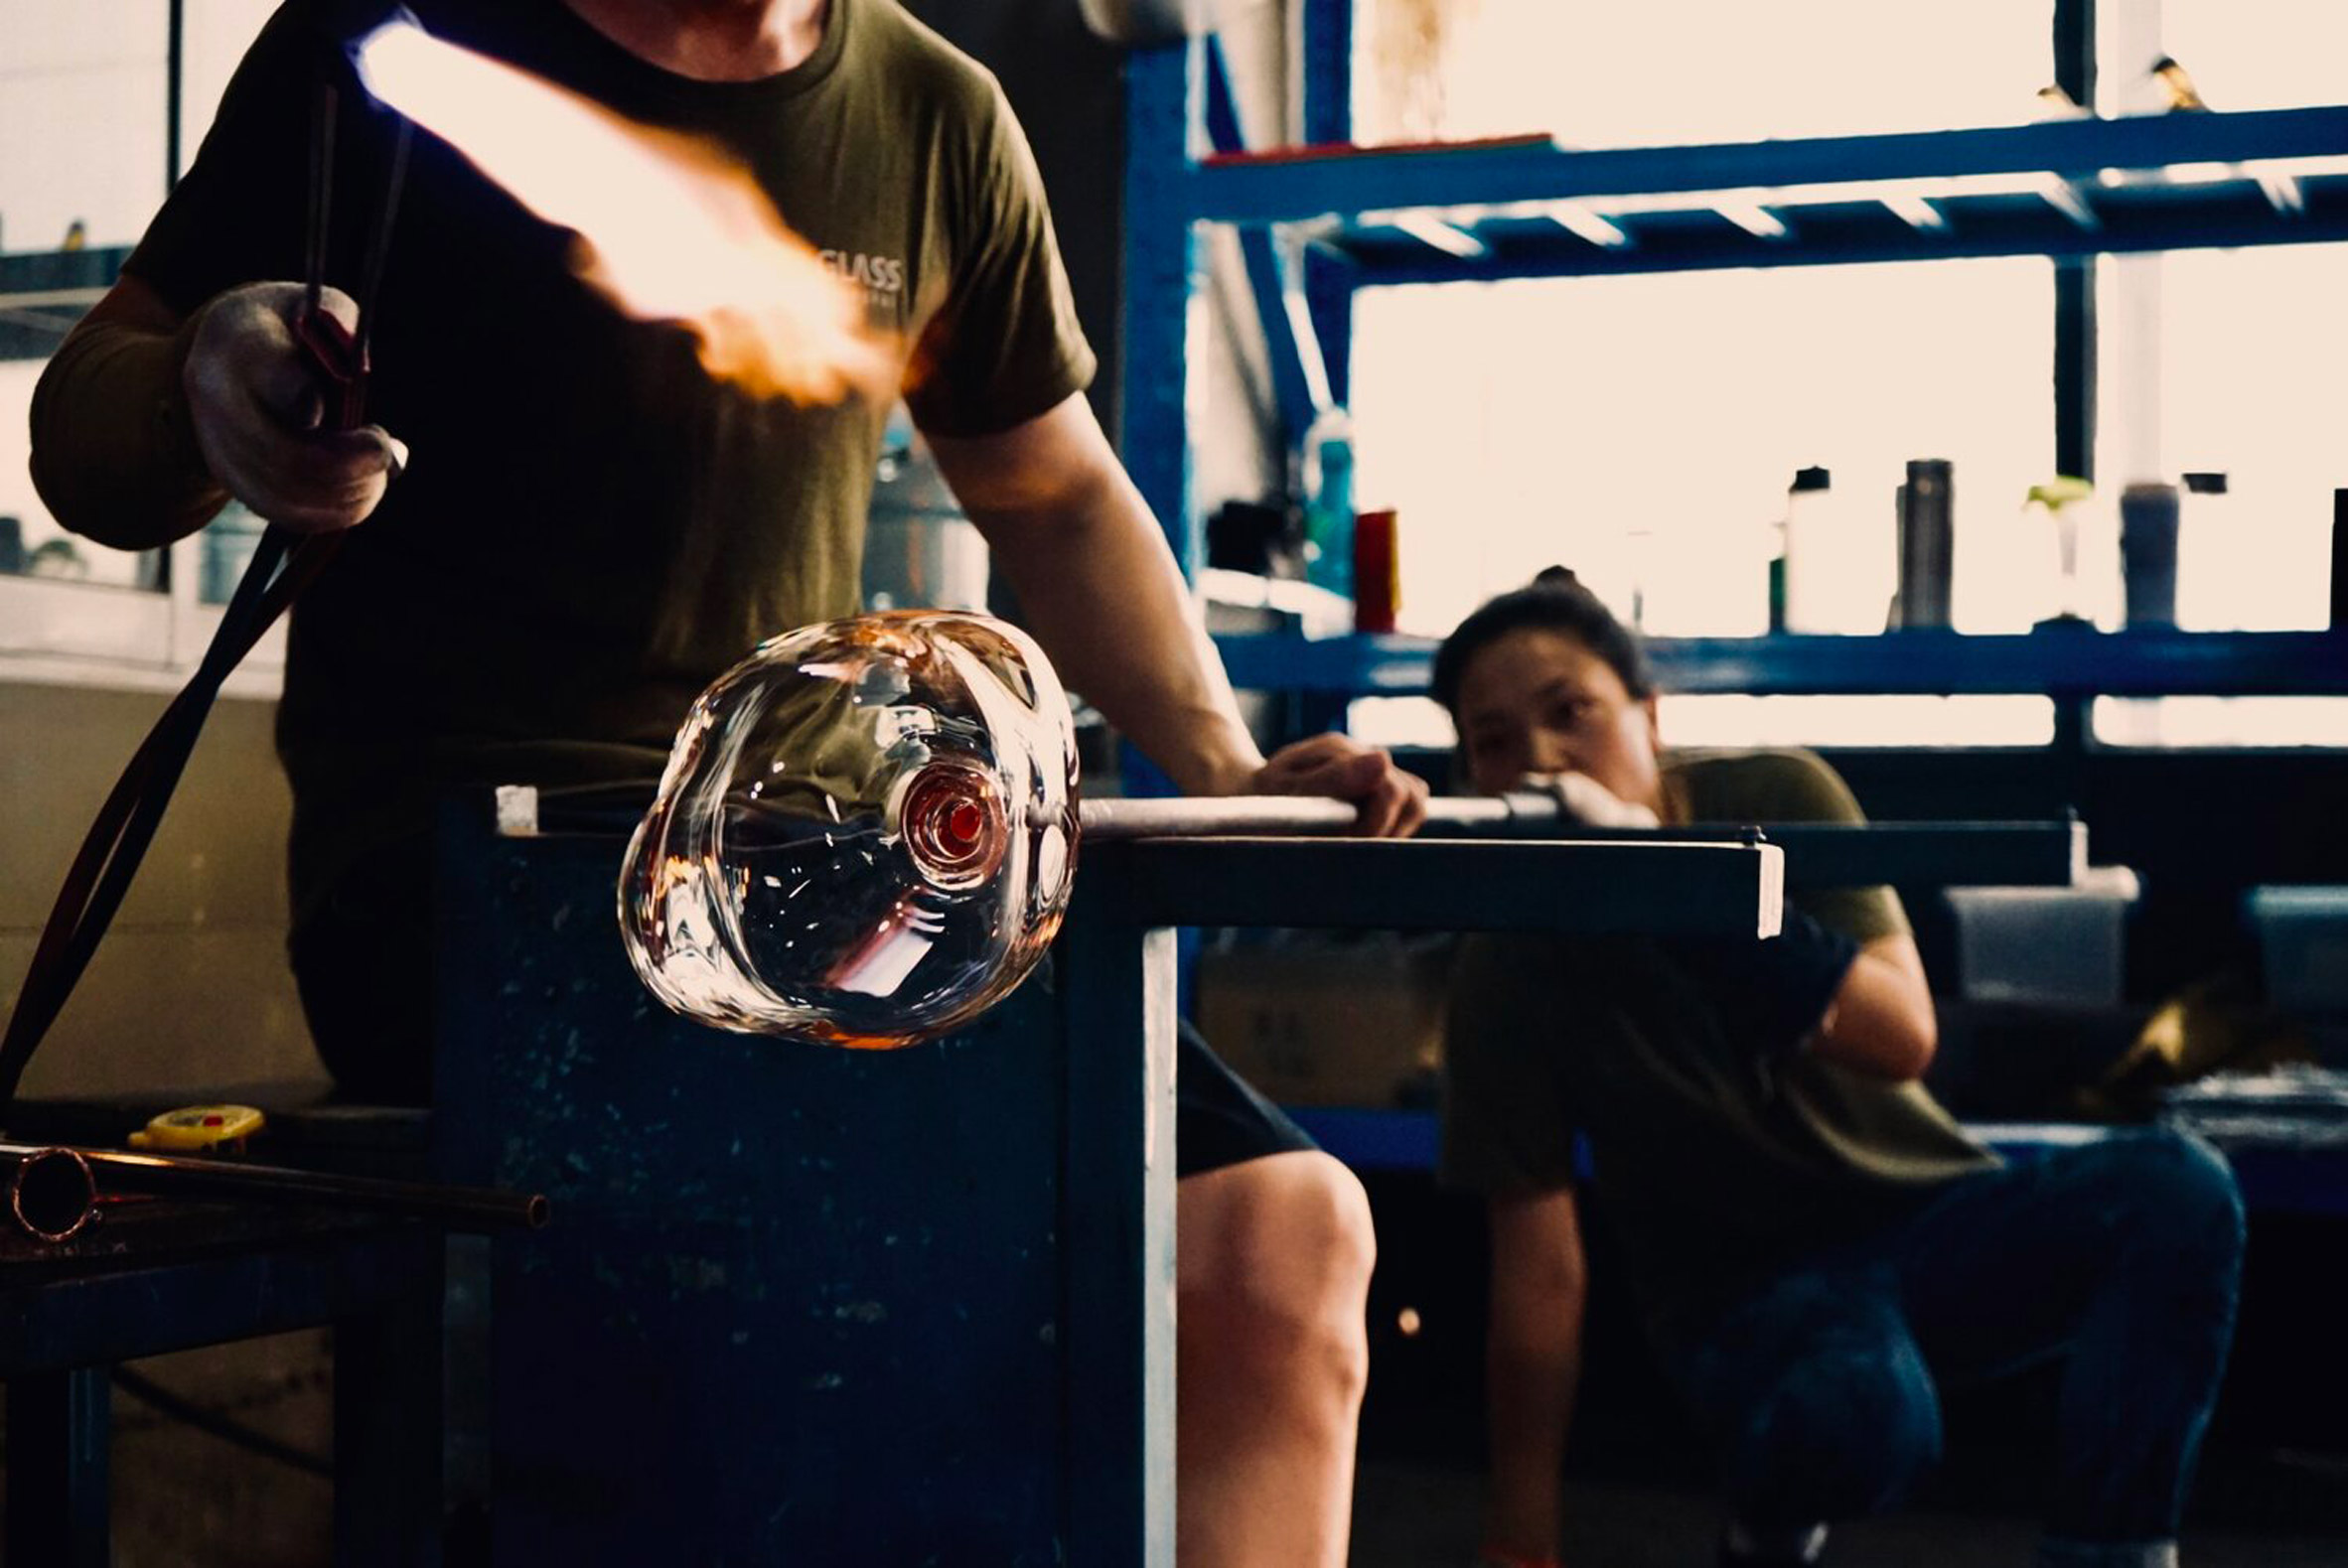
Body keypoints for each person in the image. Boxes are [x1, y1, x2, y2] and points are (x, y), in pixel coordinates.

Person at [27, 3, 1428, 1562]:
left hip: (815, 876)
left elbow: (1048, 481)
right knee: (849, 1272)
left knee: (1276, 1233)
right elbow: (85, 421)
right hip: (471, 888)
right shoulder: (397, 36)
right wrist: (198, 394)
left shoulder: (929, 112)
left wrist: (1229, 756)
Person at [1430, 569, 2244, 1568]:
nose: (1542, 763)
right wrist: (1521, 1536)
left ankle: (2107, 1556)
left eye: (1572, 713)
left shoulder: (1778, 798)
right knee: (1859, 1414)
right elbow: (1539, 1266)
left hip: (1927, 1219)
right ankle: (1765, 1528)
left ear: (1650, 716)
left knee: (2177, 1188)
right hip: (1742, 1294)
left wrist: (1674, 884)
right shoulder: (1508, 961)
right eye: (1494, 741)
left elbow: (1900, 1034)